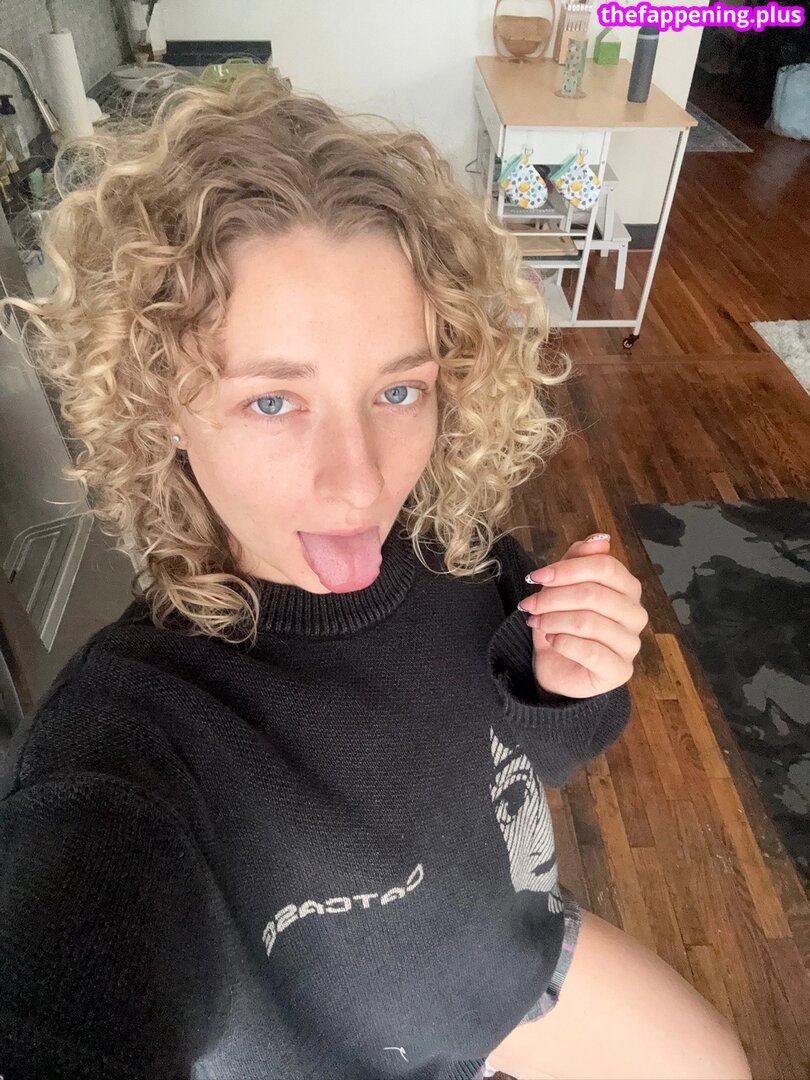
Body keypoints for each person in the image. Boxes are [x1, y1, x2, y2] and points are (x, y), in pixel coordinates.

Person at [0, 70, 751, 1080]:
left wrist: (572, 683)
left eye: (398, 390)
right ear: (159, 403)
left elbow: (532, 763)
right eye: (274, 401)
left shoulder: (459, 559)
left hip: (504, 959)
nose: (359, 482)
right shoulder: (127, 740)